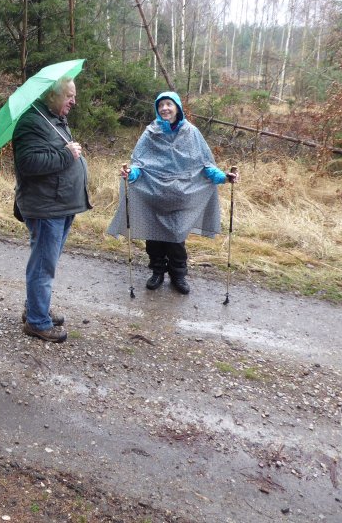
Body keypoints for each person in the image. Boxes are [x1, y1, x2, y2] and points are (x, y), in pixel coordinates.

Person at [107, 91, 238, 295]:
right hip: (153, 196)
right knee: (154, 239)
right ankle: (157, 271)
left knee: (176, 239)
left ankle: (178, 275)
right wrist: (129, 174)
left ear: (177, 107)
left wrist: (224, 177)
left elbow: (205, 165)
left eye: (169, 104)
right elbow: (139, 165)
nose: (165, 108)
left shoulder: (191, 132)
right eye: (161, 105)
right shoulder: (151, 132)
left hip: (181, 198)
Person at [12, 76, 91, 343]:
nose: (73, 101)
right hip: (46, 207)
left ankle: (36, 307)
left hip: (60, 204)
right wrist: (67, 154)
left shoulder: (52, 119)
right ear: (52, 95)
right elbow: (28, 163)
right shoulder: (31, 122)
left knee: (47, 262)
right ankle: (37, 321)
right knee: (43, 266)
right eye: (69, 95)